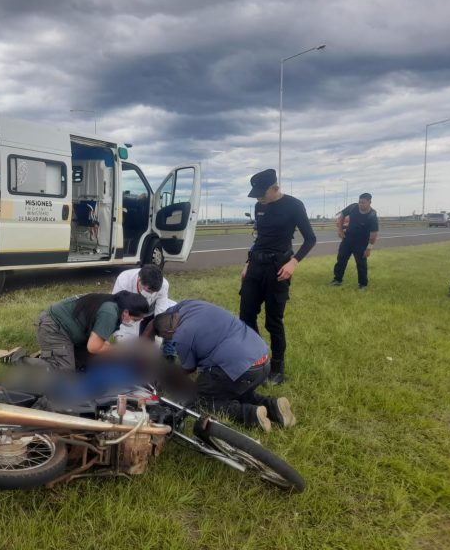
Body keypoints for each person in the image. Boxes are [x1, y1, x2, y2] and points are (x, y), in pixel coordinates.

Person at [150, 300, 296, 432]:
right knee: (232, 390)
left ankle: (251, 415)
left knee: (202, 398)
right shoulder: (189, 305)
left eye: (165, 337)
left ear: (168, 332)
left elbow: (189, 368)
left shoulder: (181, 337)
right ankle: (273, 406)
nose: (168, 340)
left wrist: (171, 374)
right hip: (262, 360)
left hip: (241, 368)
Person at [240, 169, 316, 385]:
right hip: (256, 265)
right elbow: (260, 238)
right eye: (256, 196)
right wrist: (248, 263)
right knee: (245, 317)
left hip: (278, 268)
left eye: (261, 195)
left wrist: (293, 262)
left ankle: (277, 368)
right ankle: (256, 358)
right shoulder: (258, 207)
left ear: (275, 188)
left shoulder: (294, 205)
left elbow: (310, 239)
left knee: (273, 321)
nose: (258, 199)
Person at [34, 291, 150, 371]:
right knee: (64, 372)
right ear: (126, 312)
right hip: (54, 326)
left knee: (90, 362)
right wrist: (121, 349)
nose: (135, 322)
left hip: (71, 332)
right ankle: (25, 363)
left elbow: (100, 341)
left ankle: (52, 356)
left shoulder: (114, 307)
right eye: (135, 319)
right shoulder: (110, 312)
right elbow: (93, 347)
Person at [111, 264, 173, 341]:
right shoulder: (124, 279)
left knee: (169, 323)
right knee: (126, 344)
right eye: (148, 291)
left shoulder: (164, 285)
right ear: (139, 280)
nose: (151, 294)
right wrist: (124, 317)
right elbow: (115, 306)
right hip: (130, 316)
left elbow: (160, 311)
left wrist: (157, 332)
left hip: (150, 313)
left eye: (154, 292)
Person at [330, 193, 379, 290]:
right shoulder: (353, 207)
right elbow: (341, 216)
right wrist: (340, 230)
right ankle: (337, 280)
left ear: (369, 202)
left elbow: (373, 235)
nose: (361, 204)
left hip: (361, 243)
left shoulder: (372, 216)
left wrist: (368, 249)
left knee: (361, 264)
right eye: (360, 202)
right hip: (347, 239)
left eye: (363, 203)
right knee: (341, 259)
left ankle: (363, 284)